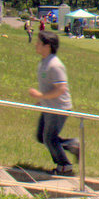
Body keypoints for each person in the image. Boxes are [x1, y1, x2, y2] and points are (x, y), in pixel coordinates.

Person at [27, 30, 79, 175]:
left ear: (48, 45)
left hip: (58, 108)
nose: (36, 45)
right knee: (41, 136)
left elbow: (61, 89)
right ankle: (72, 145)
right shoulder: (44, 62)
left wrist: (41, 95)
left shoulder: (55, 65)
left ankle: (64, 166)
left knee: (49, 138)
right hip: (49, 106)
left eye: (39, 42)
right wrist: (41, 100)